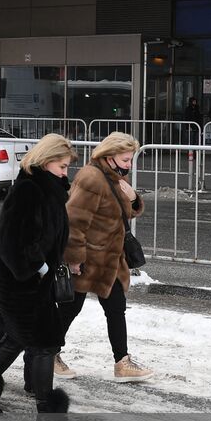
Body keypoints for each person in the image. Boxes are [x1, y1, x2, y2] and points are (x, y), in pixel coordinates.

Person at [0, 134, 78, 417]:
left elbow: (47, 236)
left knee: (17, 340)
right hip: (20, 285)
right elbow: (10, 242)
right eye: (62, 167)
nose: (66, 173)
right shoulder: (29, 190)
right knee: (45, 344)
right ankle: (48, 414)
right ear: (45, 161)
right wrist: (39, 268)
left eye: (66, 167)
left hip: (35, 284)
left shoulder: (48, 188)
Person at [60, 133, 155, 383]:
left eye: (131, 159)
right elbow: (74, 222)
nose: (129, 165)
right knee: (71, 308)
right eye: (126, 160)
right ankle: (48, 353)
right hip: (88, 257)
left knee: (115, 308)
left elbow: (119, 215)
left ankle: (122, 362)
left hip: (110, 259)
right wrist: (74, 259)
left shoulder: (114, 179)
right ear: (109, 156)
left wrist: (133, 199)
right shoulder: (91, 178)